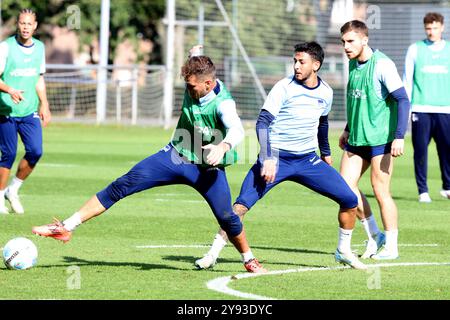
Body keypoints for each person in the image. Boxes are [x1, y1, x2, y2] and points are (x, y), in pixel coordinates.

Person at [32, 45, 266, 273]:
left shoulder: (223, 103)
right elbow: (196, 60)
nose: (188, 89)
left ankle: (249, 260)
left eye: (192, 86)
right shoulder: (196, 80)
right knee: (122, 184)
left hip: (207, 170)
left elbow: (236, 129)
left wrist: (223, 145)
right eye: (187, 84)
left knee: (227, 217)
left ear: (208, 83)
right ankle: (65, 227)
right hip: (175, 156)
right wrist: (193, 54)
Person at [195, 41, 367, 271]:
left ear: (316, 65)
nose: (296, 66)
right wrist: (267, 157)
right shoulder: (283, 87)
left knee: (349, 200)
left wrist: (325, 153)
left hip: (307, 160)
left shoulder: (326, 92)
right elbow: (262, 122)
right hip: (275, 159)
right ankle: (212, 254)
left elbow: (322, 123)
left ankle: (343, 251)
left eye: (301, 62)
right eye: (294, 61)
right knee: (240, 207)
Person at [339, 20, 410, 260]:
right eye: (343, 42)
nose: (346, 46)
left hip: (381, 140)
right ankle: (374, 234)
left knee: (381, 192)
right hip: (356, 139)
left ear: (364, 40)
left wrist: (399, 136)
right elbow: (357, 99)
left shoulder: (382, 65)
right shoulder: (351, 63)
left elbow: (403, 100)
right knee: (344, 189)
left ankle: (391, 246)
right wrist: (348, 128)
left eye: (351, 41)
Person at [0, 9, 51, 214]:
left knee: (36, 151)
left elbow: (39, 78)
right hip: (6, 110)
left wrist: (44, 104)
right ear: (17, 25)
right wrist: (10, 89)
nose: (25, 27)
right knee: (9, 153)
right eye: (22, 23)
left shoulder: (39, 48)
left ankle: (13, 190)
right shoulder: (5, 47)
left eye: (29, 24)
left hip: (29, 111)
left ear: (35, 26)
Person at [403, 12, 450, 203]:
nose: (431, 32)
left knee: (447, 150)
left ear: (442, 28)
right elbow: (407, 80)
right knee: (420, 151)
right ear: (425, 29)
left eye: (435, 28)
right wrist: (405, 109)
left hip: (445, 109)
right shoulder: (415, 49)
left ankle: (447, 187)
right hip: (421, 109)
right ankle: (423, 191)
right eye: (428, 28)